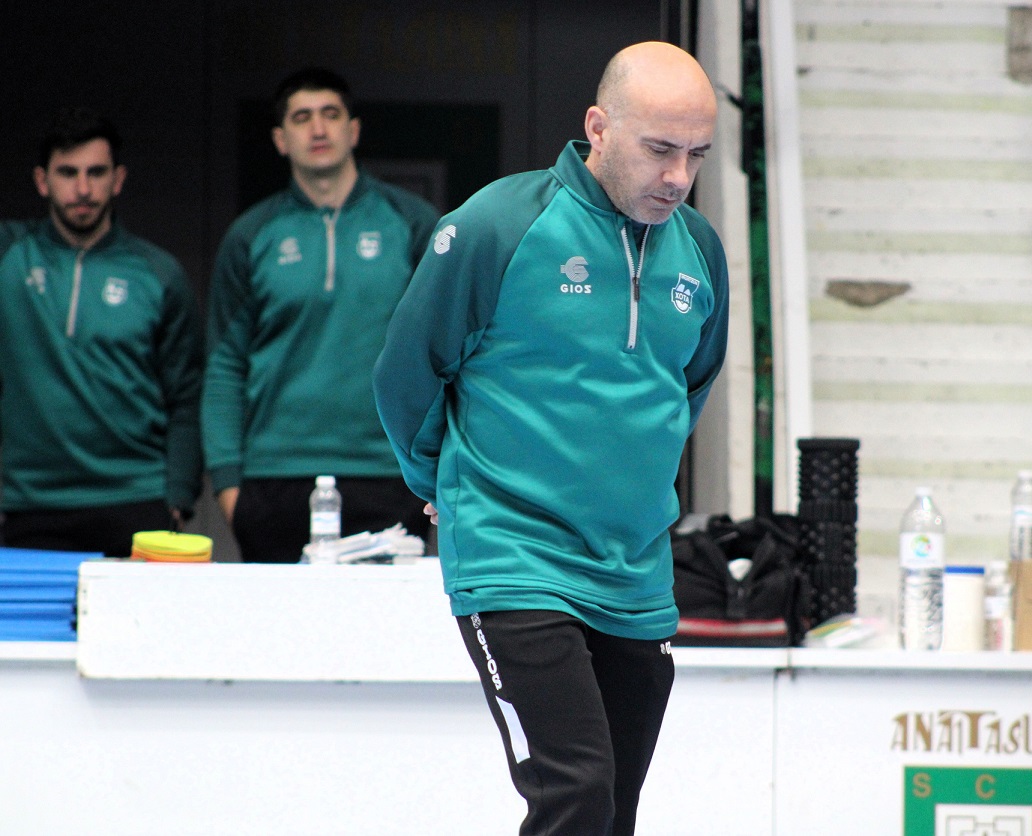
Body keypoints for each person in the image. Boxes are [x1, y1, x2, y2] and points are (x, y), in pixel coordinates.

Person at [373, 41, 728, 835]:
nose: (678, 177)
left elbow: (687, 388)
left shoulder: (700, 251)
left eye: (697, 155)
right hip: (515, 557)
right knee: (576, 790)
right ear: (598, 128)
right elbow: (406, 373)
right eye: (660, 149)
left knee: (613, 812)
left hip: (635, 573)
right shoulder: (499, 226)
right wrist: (441, 482)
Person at [202, 67, 439, 563]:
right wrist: (227, 487)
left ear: (353, 130)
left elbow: (444, 354)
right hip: (273, 477)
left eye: (330, 114)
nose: (317, 128)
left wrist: (433, 470)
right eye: (301, 117)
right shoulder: (250, 235)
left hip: (389, 474)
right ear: (279, 139)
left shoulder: (413, 223)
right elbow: (224, 366)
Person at [0, 107, 203, 557]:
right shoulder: (10, 256)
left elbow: (187, 396)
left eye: (96, 172)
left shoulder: (159, 273)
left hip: (137, 496)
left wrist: (179, 496)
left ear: (118, 179)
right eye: (67, 173)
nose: (83, 189)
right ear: (42, 180)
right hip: (31, 501)